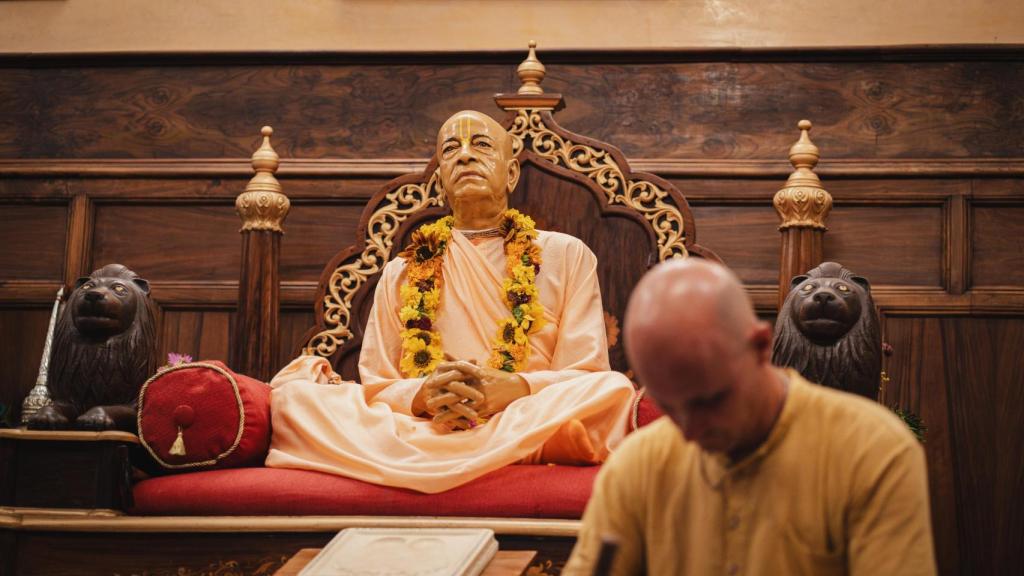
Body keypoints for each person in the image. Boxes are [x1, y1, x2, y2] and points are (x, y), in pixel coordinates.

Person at [265, 110, 635, 493]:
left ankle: (512, 442)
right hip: (426, 425)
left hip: (525, 413)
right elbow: (377, 383)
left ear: (511, 174)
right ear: (441, 177)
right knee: (295, 401)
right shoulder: (402, 270)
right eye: (451, 149)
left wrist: (513, 387)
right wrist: (424, 395)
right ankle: (527, 450)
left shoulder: (565, 254)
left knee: (612, 390)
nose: (465, 155)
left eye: (481, 146)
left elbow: (585, 374)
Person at [564, 259, 936, 575]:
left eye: (708, 401)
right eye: (670, 408)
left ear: (760, 346)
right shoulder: (638, 464)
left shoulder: (872, 450)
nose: (690, 432)